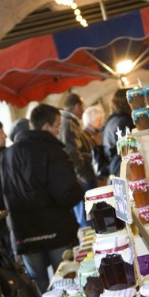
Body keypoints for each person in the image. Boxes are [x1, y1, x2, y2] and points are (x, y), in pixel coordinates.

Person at [0, 104, 83, 293]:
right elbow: (67, 195)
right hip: (56, 231)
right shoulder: (54, 152)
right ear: (45, 127)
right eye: (57, 125)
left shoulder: (6, 156)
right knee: (68, 285)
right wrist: (80, 189)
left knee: (41, 290)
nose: (59, 131)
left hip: (24, 235)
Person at [59, 93, 97, 227]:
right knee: (88, 218)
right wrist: (86, 176)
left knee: (90, 215)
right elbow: (72, 153)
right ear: (77, 106)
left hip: (81, 176)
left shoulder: (70, 122)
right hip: (81, 179)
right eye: (83, 106)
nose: (84, 109)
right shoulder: (68, 123)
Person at [102, 88, 135, 176]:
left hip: (115, 165)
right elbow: (129, 148)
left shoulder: (112, 120)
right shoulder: (124, 121)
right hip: (123, 167)